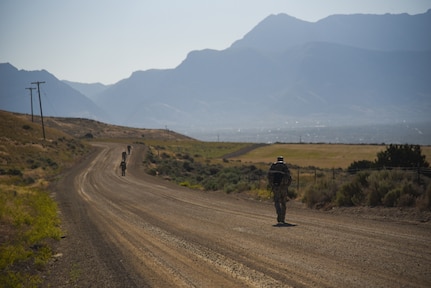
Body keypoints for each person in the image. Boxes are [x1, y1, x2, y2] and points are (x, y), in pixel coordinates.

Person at [267, 156, 292, 224]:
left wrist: (272, 185)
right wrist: (287, 185)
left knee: (277, 201)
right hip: (284, 187)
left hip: (276, 187)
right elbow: (289, 177)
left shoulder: (273, 166)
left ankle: (279, 215)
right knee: (283, 203)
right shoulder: (285, 166)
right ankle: (282, 218)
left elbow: (269, 176)